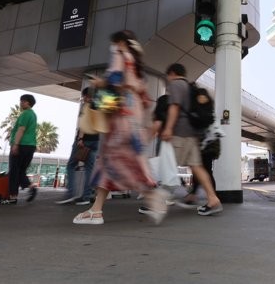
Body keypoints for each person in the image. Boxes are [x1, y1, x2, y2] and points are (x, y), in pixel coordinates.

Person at [74, 31, 167, 225]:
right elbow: (146, 100)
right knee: (114, 161)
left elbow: (115, 80)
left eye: (114, 42)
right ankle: (96, 210)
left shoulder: (120, 55)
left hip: (120, 116)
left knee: (118, 160)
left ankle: (154, 196)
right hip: (132, 116)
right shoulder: (136, 66)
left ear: (120, 42)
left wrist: (101, 83)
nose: (113, 46)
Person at [160, 63, 223, 216]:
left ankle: (157, 203)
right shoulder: (191, 88)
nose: (168, 79)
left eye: (168, 76)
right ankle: (213, 199)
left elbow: (174, 107)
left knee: (169, 166)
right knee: (197, 167)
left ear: (172, 73)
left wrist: (168, 128)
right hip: (194, 134)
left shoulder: (176, 85)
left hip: (180, 133)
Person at [56, 88, 100, 206]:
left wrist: (80, 138)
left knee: (71, 165)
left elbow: (83, 125)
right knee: (89, 169)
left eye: (84, 97)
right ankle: (86, 197)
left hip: (84, 141)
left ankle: (70, 194)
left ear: (87, 96)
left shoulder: (87, 107)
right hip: (96, 141)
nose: (83, 99)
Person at [5, 94, 39, 204]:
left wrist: (15, 144)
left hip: (21, 145)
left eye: (22, 101)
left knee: (14, 171)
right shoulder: (33, 115)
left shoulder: (25, 114)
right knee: (21, 171)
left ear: (28, 102)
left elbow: (21, 129)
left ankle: (13, 197)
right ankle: (31, 187)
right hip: (30, 146)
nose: (20, 103)